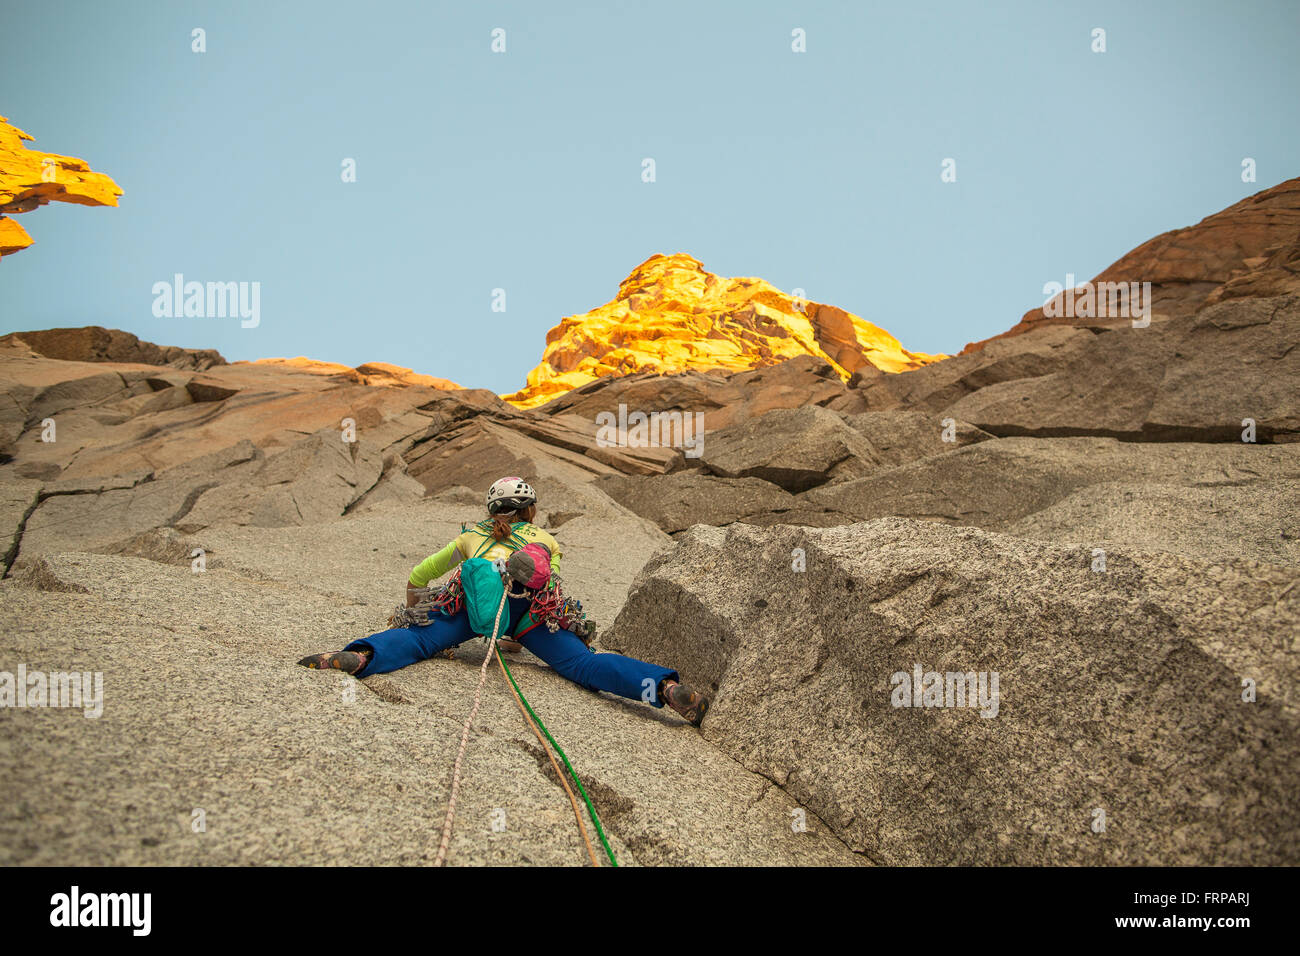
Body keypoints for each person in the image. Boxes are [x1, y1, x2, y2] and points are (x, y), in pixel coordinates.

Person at [298, 476, 710, 726]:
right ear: (529, 511)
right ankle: (665, 688)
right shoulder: (546, 540)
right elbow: (550, 589)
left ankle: (362, 657)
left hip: (474, 609)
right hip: (530, 615)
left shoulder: (468, 537)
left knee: (420, 640)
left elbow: (420, 576)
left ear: (492, 509)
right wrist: (511, 638)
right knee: (584, 665)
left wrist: (421, 611)